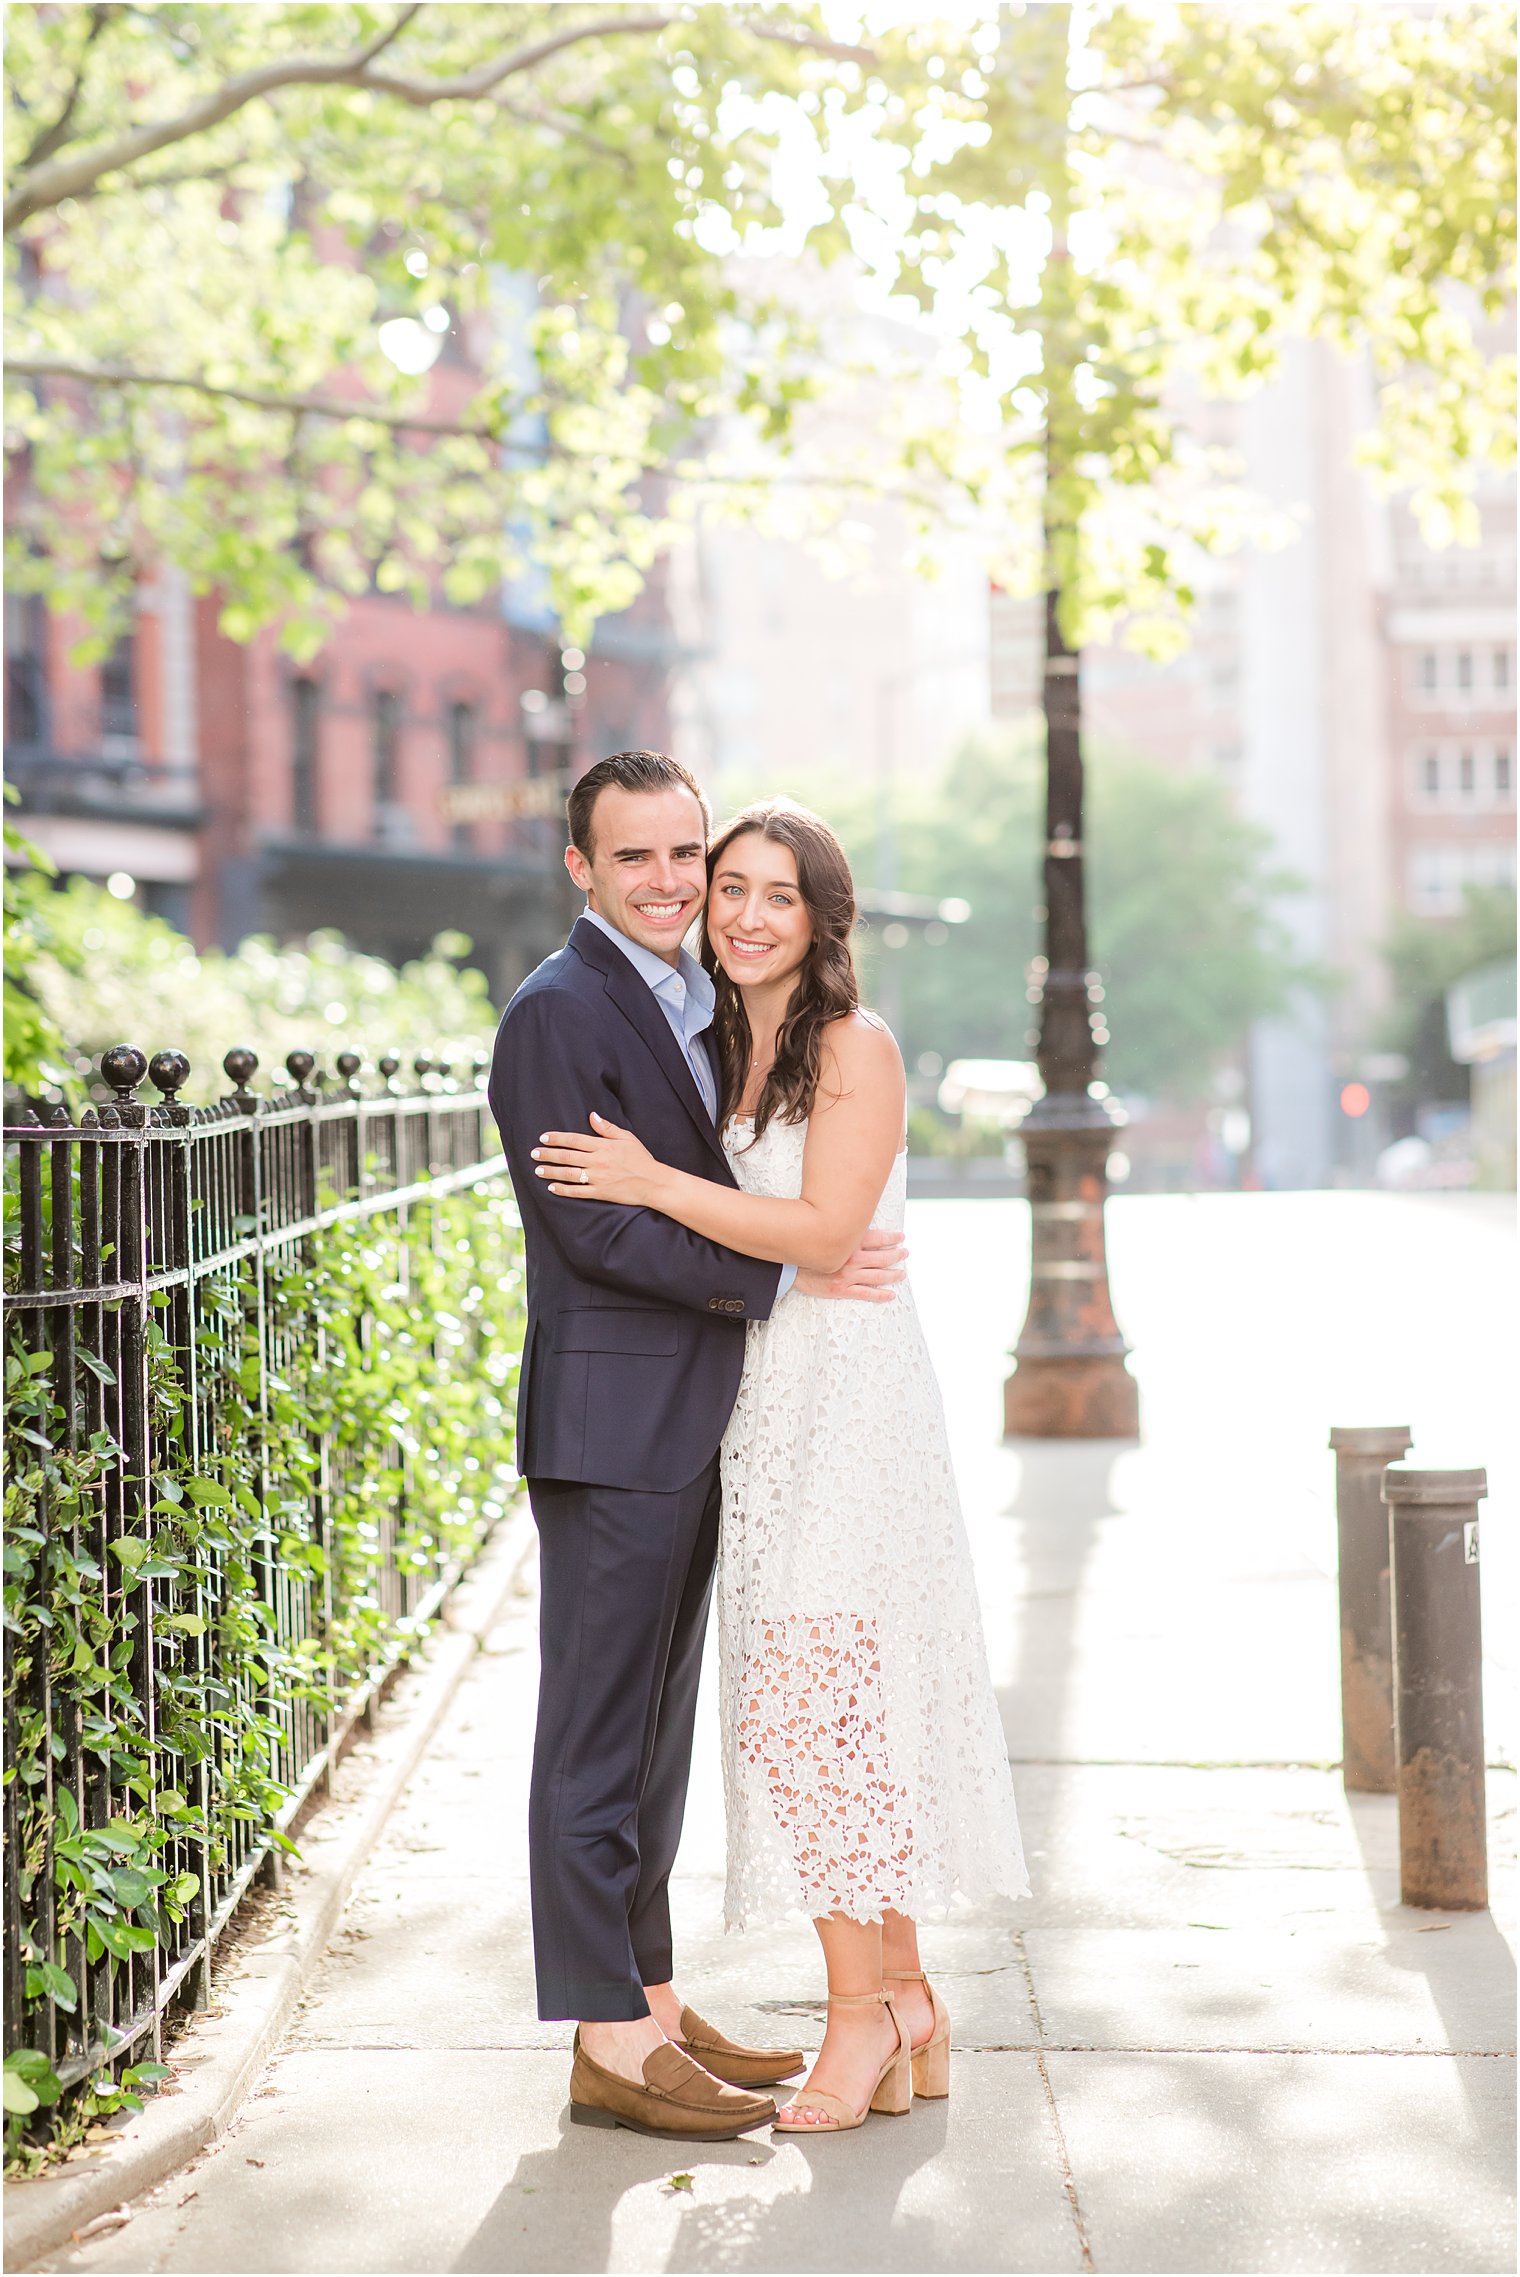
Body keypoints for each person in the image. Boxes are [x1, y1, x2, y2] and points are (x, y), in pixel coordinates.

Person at [531, 798, 1029, 2135]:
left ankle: (859, 2020)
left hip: (849, 1410)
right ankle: (911, 1995)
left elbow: (821, 1227)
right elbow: (789, 1240)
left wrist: (653, 1179)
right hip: (756, 1405)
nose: (743, 912)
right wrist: (700, 1204)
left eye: (775, 894)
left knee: (820, 1711)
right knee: (825, 1702)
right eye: (729, 886)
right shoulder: (716, 1035)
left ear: (823, 918)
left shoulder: (856, 1044)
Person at [487, 753, 908, 2143]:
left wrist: (801, 1250)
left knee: (654, 1741)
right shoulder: (558, 1010)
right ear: (581, 869)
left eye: (690, 857)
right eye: (642, 860)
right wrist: (784, 1281)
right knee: (595, 1739)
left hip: (698, 1419)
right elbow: (595, 1226)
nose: (672, 883)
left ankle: (653, 1999)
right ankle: (606, 2034)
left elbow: (767, 1180)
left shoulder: (697, 1006)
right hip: (615, 1421)